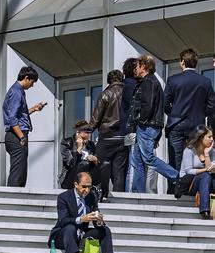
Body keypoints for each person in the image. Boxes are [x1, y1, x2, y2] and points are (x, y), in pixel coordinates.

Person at [48, 172, 120, 253]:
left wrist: (99, 221)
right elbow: (63, 220)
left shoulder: (92, 196)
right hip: (63, 234)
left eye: (89, 187)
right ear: (76, 184)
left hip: (81, 233)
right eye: (84, 187)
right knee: (70, 227)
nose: (87, 190)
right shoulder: (64, 197)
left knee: (105, 230)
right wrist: (81, 219)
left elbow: (95, 216)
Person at [128, 55, 179, 194]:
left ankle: (176, 177)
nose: (135, 69)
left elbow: (148, 105)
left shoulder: (148, 82)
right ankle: (137, 192)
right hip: (149, 126)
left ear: (144, 66)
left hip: (147, 126)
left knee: (148, 158)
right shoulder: (152, 81)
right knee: (137, 160)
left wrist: (141, 121)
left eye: (137, 66)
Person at [164, 47, 215, 172]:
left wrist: (173, 114)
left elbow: (165, 104)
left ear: (182, 61)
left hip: (176, 126)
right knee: (195, 161)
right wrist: (201, 114)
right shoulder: (205, 81)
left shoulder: (173, 80)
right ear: (196, 63)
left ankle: (174, 189)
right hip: (197, 126)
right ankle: (190, 190)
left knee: (175, 162)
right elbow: (212, 105)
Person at [2, 66, 46, 188]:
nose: (32, 86)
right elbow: (12, 118)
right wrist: (21, 137)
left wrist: (33, 109)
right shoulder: (16, 92)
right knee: (18, 172)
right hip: (16, 135)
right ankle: (12, 199)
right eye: (32, 82)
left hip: (16, 135)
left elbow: (19, 114)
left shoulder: (18, 91)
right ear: (26, 78)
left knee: (21, 170)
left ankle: (16, 197)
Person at [91, 70, 127, 199]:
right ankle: (119, 199)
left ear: (109, 81)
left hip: (106, 137)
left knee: (101, 167)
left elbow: (96, 118)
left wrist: (87, 131)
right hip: (123, 137)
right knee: (119, 171)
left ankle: (101, 196)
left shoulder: (105, 94)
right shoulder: (128, 93)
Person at [178, 125, 214, 218]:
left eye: (212, 137)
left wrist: (206, 153)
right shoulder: (189, 150)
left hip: (207, 182)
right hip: (189, 183)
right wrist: (205, 169)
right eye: (209, 137)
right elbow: (189, 171)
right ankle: (204, 209)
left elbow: (211, 169)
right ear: (201, 137)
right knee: (206, 175)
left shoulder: (211, 151)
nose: (212, 139)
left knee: (209, 176)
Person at [59, 120, 99, 191]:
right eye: (86, 133)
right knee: (84, 163)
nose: (88, 135)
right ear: (78, 132)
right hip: (69, 178)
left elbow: (95, 165)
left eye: (90, 133)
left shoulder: (91, 144)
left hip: (87, 177)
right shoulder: (67, 142)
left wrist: (95, 160)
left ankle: (104, 195)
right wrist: (79, 149)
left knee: (105, 165)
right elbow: (70, 164)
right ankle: (81, 186)